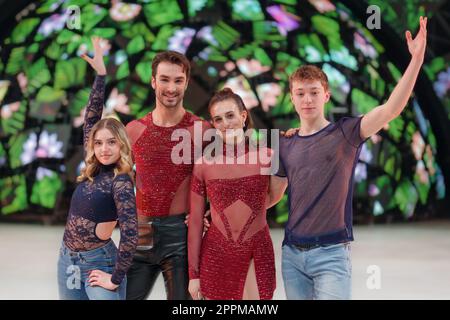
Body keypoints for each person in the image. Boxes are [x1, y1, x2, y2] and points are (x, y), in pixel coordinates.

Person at [278, 17, 428, 300]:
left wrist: (416, 60)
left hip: (332, 254)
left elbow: (390, 110)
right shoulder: (285, 143)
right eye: (300, 93)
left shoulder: (345, 133)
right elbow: (269, 197)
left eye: (313, 93)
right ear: (292, 98)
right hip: (292, 255)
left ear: (326, 95)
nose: (307, 99)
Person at [124, 51, 211, 300]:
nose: (171, 88)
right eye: (164, 79)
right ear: (153, 82)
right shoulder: (134, 130)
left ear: (186, 83)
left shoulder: (202, 130)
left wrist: (210, 213)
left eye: (178, 80)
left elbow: (226, 174)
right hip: (140, 233)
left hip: (182, 238)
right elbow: (120, 182)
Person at [57, 37, 138, 300]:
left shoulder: (121, 181)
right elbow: (91, 117)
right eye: (99, 142)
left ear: (121, 145)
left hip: (98, 263)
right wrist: (101, 75)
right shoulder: (92, 168)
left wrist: (115, 278)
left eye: (111, 142)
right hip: (67, 260)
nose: (104, 148)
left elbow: (130, 233)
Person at [188, 88, 287, 300]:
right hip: (216, 254)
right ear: (213, 125)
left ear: (243, 116)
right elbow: (196, 222)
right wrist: (193, 275)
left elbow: (274, 196)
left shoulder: (268, 158)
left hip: (256, 250)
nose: (225, 123)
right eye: (218, 119)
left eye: (230, 115)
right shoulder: (204, 165)